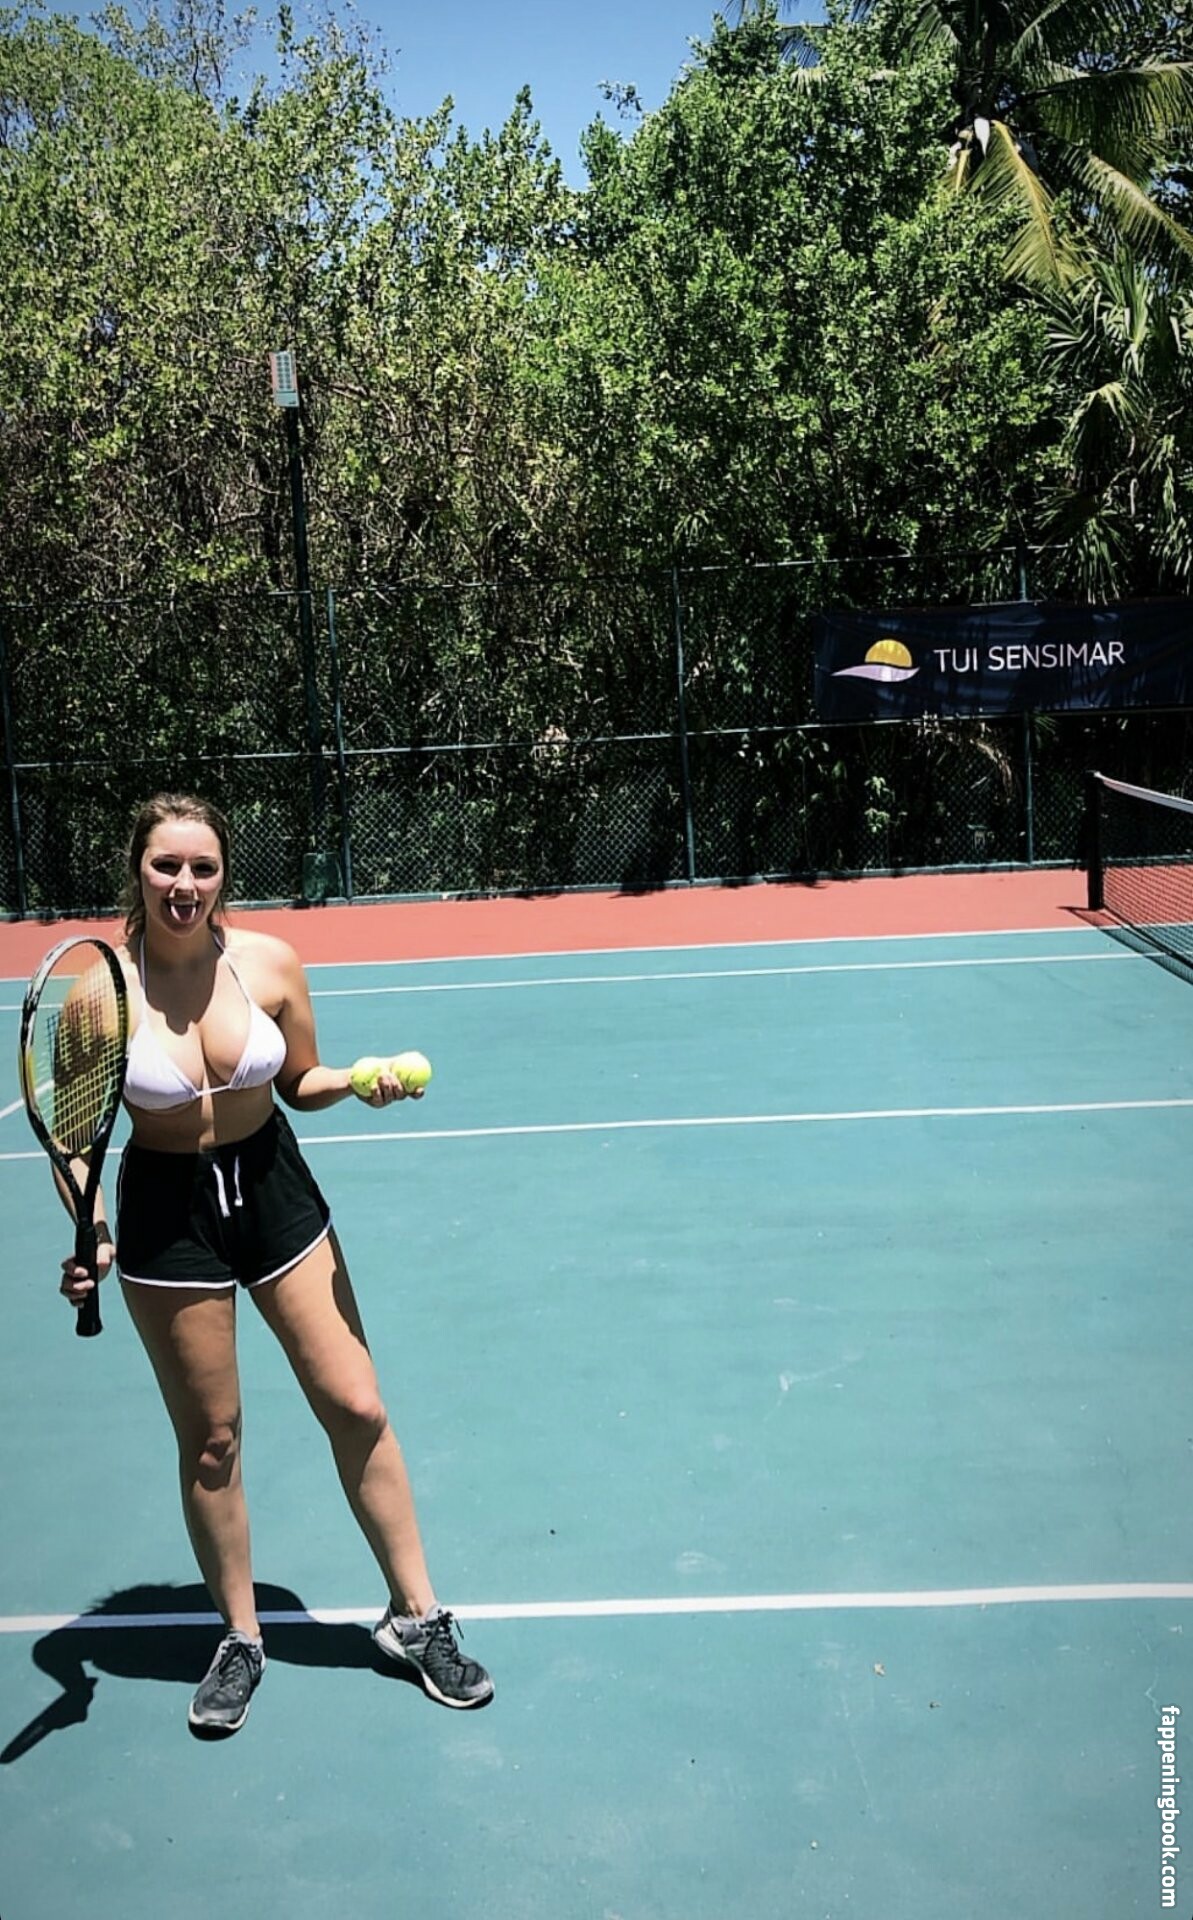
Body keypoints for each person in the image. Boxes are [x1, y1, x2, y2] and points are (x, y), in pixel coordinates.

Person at [55, 792, 493, 1736]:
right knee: (212, 1440)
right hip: (167, 1214)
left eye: (202, 868)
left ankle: (417, 1619)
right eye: (166, 865)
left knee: (356, 1403)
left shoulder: (268, 963)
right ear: (136, 869)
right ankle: (241, 1639)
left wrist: (356, 1082)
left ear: (224, 876)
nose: (184, 885)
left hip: (272, 1187)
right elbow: (76, 1142)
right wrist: (93, 1234)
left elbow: (299, 1078)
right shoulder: (97, 995)